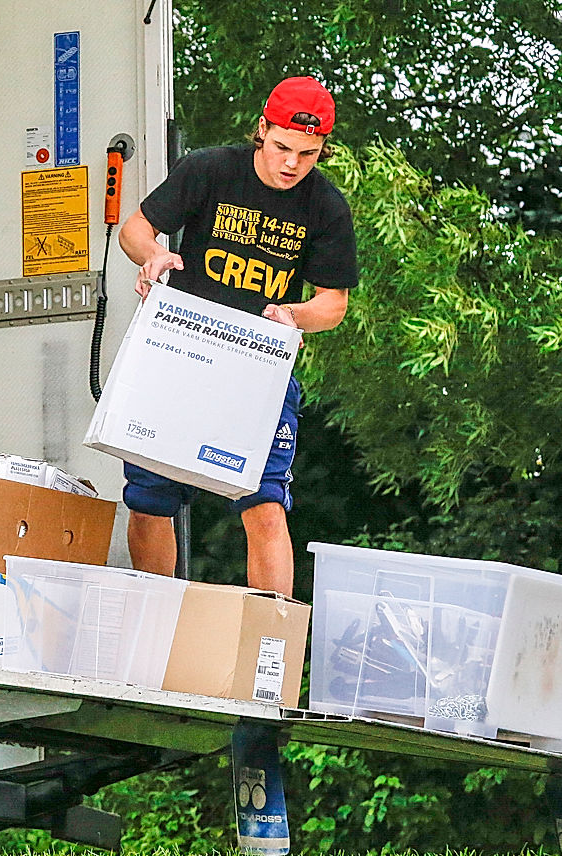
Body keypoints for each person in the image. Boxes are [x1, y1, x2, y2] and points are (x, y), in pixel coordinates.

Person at [117, 76, 358, 597]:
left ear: (322, 151)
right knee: (148, 499)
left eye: (308, 154)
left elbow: (333, 303)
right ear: (261, 131)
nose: (291, 164)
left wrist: (295, 314)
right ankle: (153, 627)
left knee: (265, 505)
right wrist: (153, 255)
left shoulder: (327, 207)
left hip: (260, 367)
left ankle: (270, 651)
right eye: (281, 148)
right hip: (181, 351)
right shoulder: (210, 169)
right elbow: (134, 229)